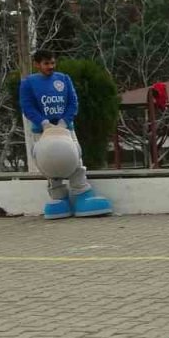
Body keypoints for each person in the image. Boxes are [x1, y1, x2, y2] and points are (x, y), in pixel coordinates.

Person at [20, 49, 112, 219]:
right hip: (42, 131)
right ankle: (58, 197)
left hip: (66, 129)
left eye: (53, 63)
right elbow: (27, 106)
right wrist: (43, 123)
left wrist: (65, 120)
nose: (51, 66)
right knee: (48, 163)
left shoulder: (63, 79)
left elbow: (72, 102)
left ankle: (82, 193)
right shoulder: (28, 83)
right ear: (37, 64)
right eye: (46, 63)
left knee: (75, 157)